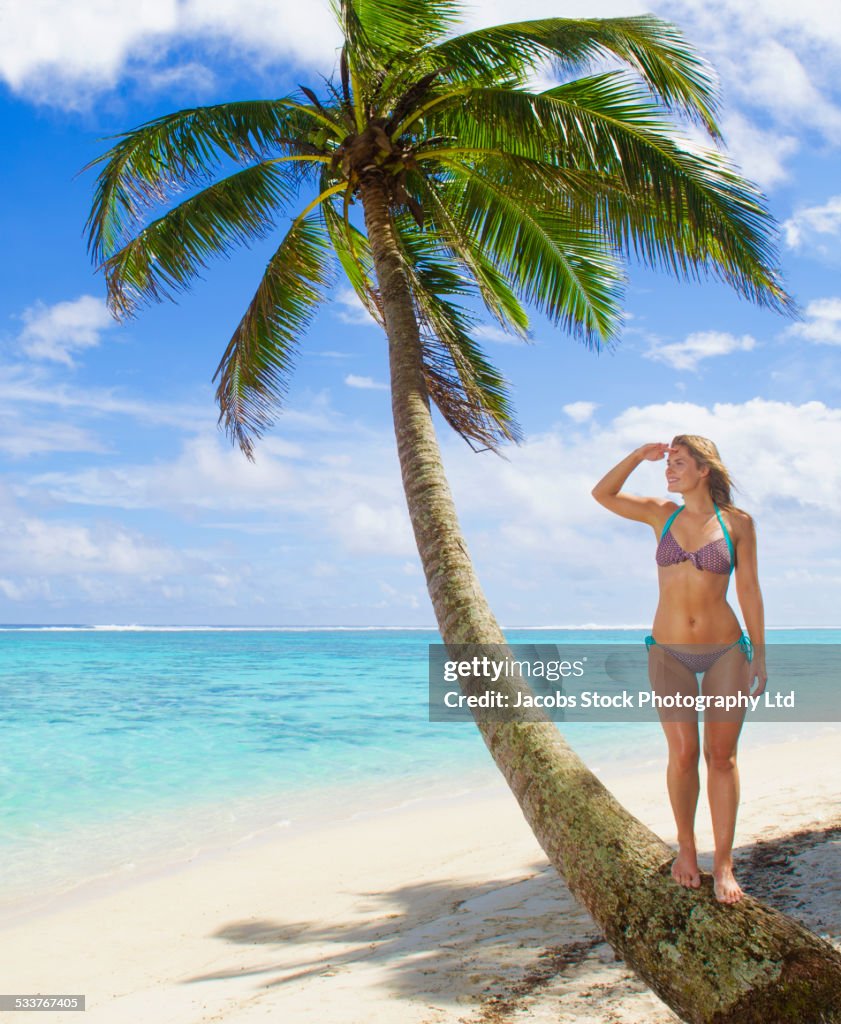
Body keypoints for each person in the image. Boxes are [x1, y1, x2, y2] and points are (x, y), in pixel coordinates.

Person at [591, 435, 767, 904]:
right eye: (668, 463)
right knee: (684, 753)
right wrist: (635, 456)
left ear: (704, 469)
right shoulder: (660, 514)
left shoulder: (738, 525)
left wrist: (761, 655)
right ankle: (686, 851)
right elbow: (602, 495)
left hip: (726, 650)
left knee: (722, 757)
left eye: (679, 463)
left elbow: (748, 590)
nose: (669, 470)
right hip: (668, 652)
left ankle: (725, 862)